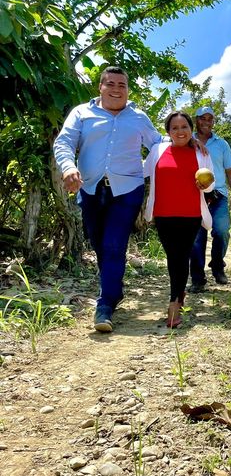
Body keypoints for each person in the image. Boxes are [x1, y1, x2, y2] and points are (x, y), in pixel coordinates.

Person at [53, 66, 162, 333]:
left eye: (122, 85)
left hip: (128, 189)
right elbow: (64, 142)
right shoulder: (82, 113)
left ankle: (105, 304)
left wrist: (189, 143)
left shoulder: (138, 117)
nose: (116, 89)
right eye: (110, 84)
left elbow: (159, 145)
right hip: (90, 188)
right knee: (99, 244)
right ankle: (114, 290)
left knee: (114, 245)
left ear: (128, 90)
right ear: (100, 87)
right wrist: (68, 167)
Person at [144, 111, 215, 327]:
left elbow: (210, 184)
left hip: (191, 213)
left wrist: (206, 185)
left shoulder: (202, 153)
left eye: (184, 127)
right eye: (174, 128)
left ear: (191, 129)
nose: (180, 131)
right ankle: (180, 291)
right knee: (172, 256)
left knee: (182, 256)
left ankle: (174, 302)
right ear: (168, 132)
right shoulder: (157, 150)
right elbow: (143, 173)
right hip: (163, 213)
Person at [189, 106, 231, 291]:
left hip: (218, 194)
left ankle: (218, 266)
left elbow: (230, 171)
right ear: (196, 120)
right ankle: (197, 278)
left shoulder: (221, 144)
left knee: (222, 230)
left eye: (210, 119)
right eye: (203, 118)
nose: (206, 122)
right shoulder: (188, 140)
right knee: (197, 237)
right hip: (195, 195)